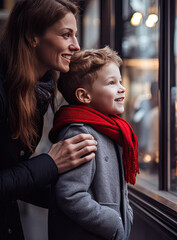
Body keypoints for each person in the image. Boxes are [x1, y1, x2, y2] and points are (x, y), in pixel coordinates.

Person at [0, 1, 98, 239]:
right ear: (33, 36)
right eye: (66, 35)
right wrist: (51, 163)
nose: (76, 45)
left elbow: (12, 176)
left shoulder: (38, 91)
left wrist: (74, 196)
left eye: (75, 35)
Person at [48, 46, 138, 240]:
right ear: (84, 96)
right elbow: (70, 195)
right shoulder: (81, 133)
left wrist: (126, 215)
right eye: (111, 82)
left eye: (120, 81)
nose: (122, 88)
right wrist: (113, 222)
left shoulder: (109, 128)